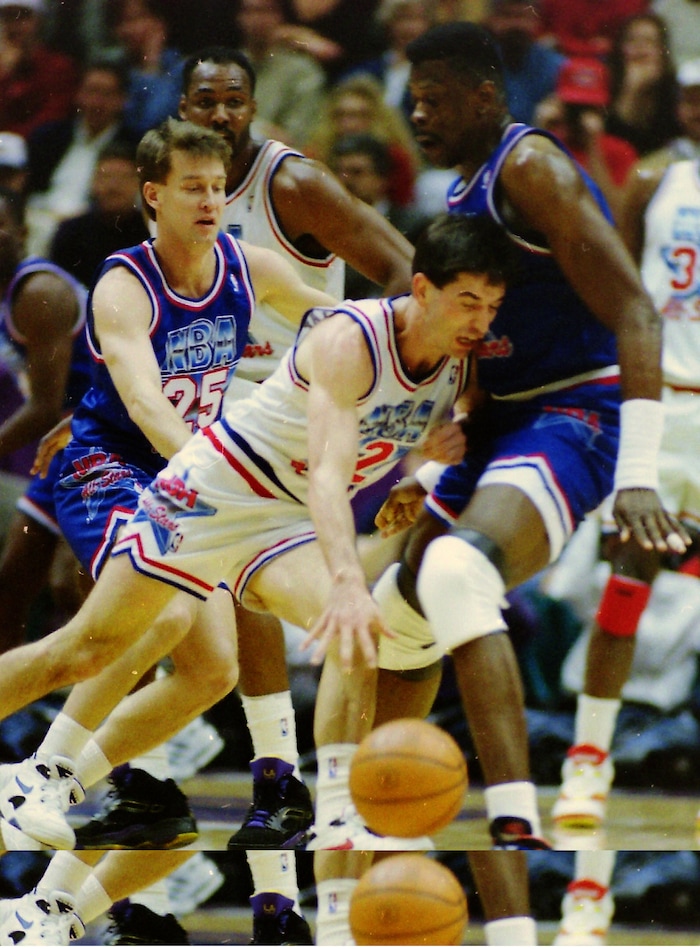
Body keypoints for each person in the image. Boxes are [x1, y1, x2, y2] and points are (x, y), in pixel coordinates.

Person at [0, 211, 513, 947]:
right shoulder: (350, 339)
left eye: (492, 306)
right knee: (85, 649)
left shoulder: (464, 364)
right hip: (212, 494)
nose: (481, 321)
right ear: (424, 289)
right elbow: (330, 475)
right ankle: (35, 778)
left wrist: (421, 474)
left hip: (280, 523)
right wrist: (345, 575)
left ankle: (338, 820)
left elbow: (459, 437)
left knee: (353, 635)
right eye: (468, 302)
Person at [300, 19, 688, 947]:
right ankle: (350, 912)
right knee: (382, 641)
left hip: (579, 410)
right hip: (500, 423)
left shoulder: (532, 168)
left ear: (486, 95)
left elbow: (636, 310)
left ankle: (520, 807)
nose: (416, 114)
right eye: (413, 99)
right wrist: (438, 455)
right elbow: (480, 354)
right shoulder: (464, 189)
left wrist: (637, 473)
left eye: (434, 99)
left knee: (456, 572)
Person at [0, 115, 339, 859]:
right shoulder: (125, 283)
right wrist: (212, 470)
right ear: (154, 195)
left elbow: (333, 320)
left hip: (185, 478)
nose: (210, 200)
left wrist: (395, 347)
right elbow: (146, 402)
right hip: (109, 467)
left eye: (218, 187)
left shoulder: (246, 267)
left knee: (211, 668)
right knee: (147, 621)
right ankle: (42, 773)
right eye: (193, 187)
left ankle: (50, 777)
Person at [551, 153, 700, 843]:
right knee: (630, 572)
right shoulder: (654, 180)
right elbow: (612, 289)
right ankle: (588, 758)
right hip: (661, 399)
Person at [0, 185, 91, 654]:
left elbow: (44, 409)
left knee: (73, 590)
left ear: (22, 232)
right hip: (65, 446)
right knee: (10, 592)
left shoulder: (39, 292)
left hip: (103, 442)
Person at [25, 57, 135, 257]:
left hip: (91, 231)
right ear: (79, 94)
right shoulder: (48, 137)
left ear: (121, 100)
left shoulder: (133, 144)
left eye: (106, 94)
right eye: (91, 91)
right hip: (39, 220)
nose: (97, 102)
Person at [533, 58, 638, 220]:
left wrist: (593, 147)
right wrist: (540, 129)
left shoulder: (620, 151)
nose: (578, 117)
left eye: (588, 108)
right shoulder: (550, 142)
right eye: (573, 108)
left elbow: (618, 216)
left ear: (603, 109)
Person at [328, 132, 430, 297]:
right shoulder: (323, 223)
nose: (345, 180)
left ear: (382, 178)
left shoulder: (414, 225)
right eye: (338, 172)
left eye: (356, 172)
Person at [304, 72, 421, 207]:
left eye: (359, 115)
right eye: (341, 115)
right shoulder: (317, 155)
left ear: (378, 118)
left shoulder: (396, 157)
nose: (349, 125)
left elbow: (402, 205)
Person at [49, 139, 148, 289]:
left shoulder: (152, 233)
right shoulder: (71, 232)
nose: (113, 186)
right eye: (106, 177)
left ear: (139, 184)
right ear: (93, 182)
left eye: (123, 177)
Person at [236, 0, 327, 148]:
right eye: (250, 11)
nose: (258, 19)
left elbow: (298, 135)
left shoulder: (302, 71)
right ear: (239, 17)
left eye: (266, 11)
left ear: (280, 17)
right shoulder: (227, 67)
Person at [604, 12, 681, 158]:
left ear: (662, 50)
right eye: (632, 40)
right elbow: (611, 140)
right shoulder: (606, 83)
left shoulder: (673, 90)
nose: (640, 48)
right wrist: (631, 91)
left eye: (649, 41)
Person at [0, 0, 79, 139]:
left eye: (23, 18)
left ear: (38, 22)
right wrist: (5, 74)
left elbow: (52, 118)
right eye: (8, 18)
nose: (14, 27)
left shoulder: (59, 67)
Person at [483, 0, 566, 126]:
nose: (515, 24)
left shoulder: (558, 66)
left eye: (522, 16)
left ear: (537, 21)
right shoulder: (478, 62)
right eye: (507, 15)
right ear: (491, 20)